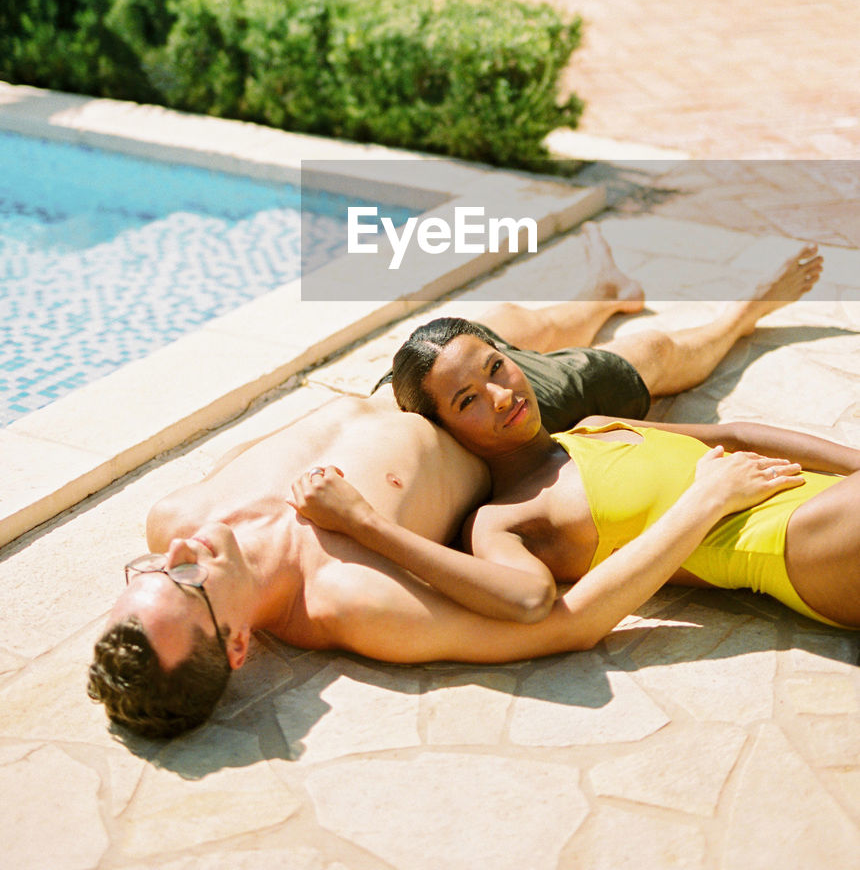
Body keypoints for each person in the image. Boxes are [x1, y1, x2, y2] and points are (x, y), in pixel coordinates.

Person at [87, 230, 833, 738]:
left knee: (505, 321)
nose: (178, 549)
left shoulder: (174, 519)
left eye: (151, 570)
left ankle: (600, 291)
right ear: (240, 643)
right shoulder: (351, 601)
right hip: (491, 433)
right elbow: (563, 622)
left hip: (401, 391)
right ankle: (744, 313)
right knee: (650, 357)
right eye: (186, 579)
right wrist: (701, 505)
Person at [305, 313, 858, 631]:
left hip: (836, 497)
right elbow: (527, 600)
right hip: (803, 545)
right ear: (443, 427)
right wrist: (366, 524)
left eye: (497, 366)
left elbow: (735, 435)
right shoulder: (503, 518)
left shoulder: (592, 426)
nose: (500, 396)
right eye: (468, 399)